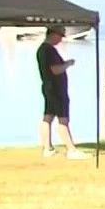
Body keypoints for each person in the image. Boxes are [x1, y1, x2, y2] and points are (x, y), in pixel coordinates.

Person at [35, 26, 85, 159]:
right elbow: (55, 70)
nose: (61, 40)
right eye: (60, 36)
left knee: (48, 117)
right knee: (63, 119)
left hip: (48, 87)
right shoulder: (48, 50)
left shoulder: (42, 49)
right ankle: (71, 150)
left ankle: (47, 148)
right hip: (56, 89)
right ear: (53, 34)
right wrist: (67, 64)